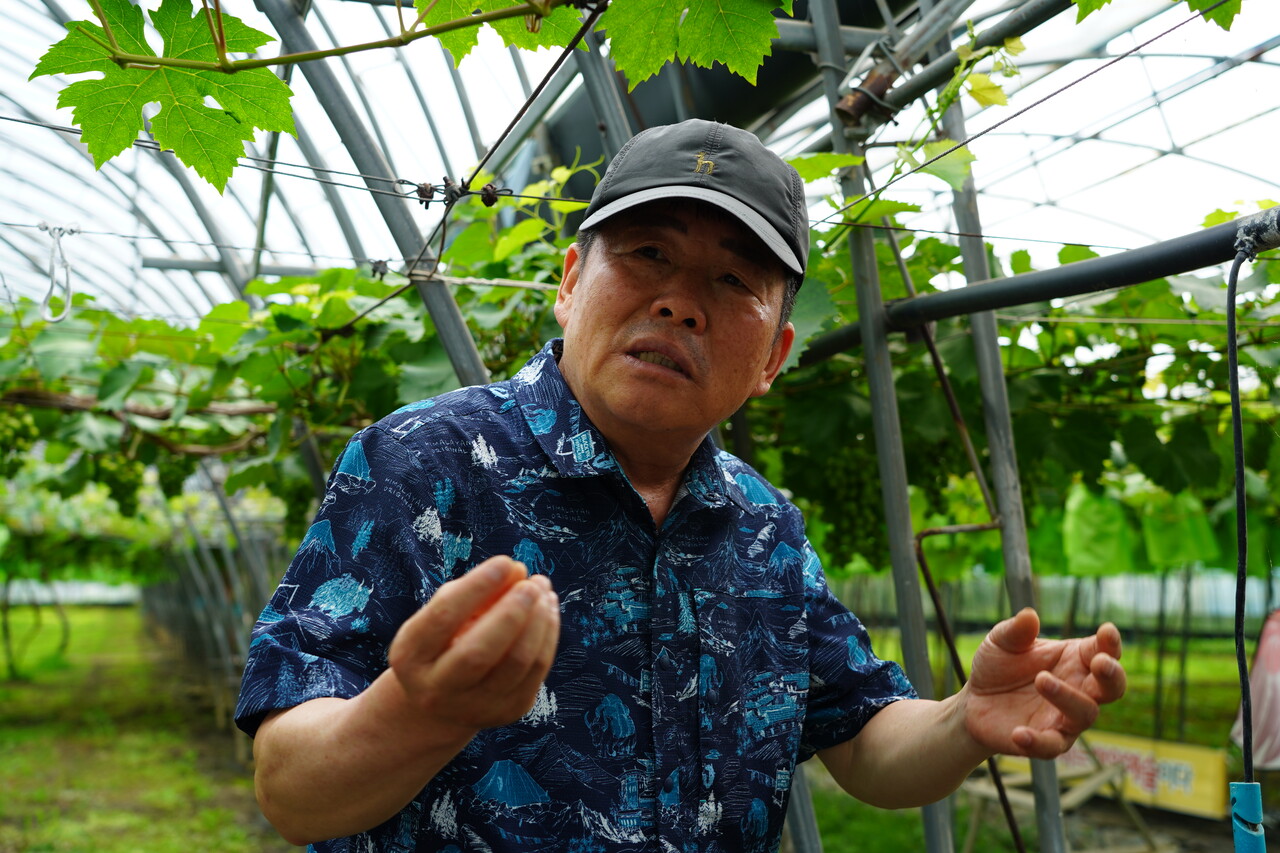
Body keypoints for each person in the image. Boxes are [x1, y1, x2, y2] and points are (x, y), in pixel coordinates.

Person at [235, 119, 1127, 852]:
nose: (680, 302)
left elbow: (863, 740)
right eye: (647, 254)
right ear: (572, 283)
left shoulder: (764, 526)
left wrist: (966, 720)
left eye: (734, 280)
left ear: (774, 355)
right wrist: (420, 711)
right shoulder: (421, 463)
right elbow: (292, 792)